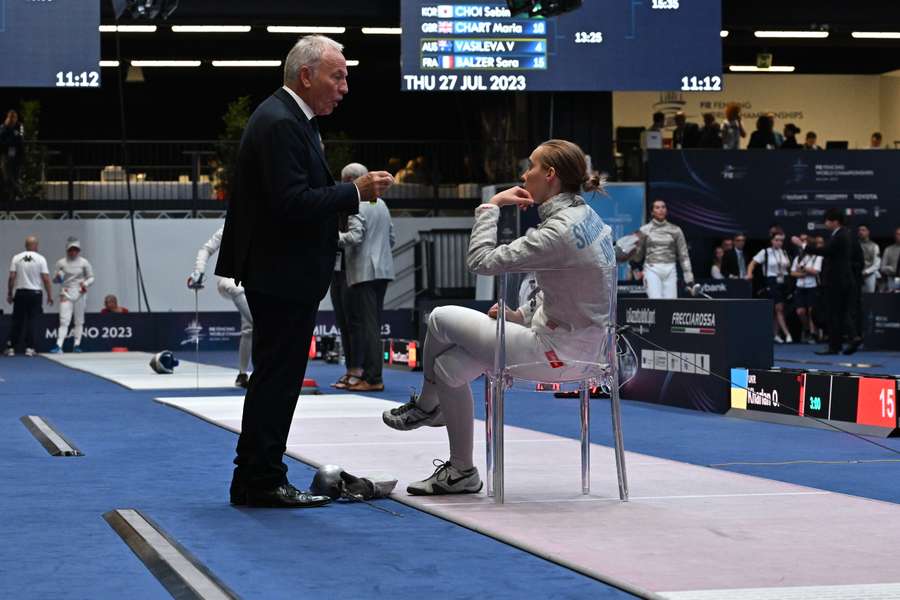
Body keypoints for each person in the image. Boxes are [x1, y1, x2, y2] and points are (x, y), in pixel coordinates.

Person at [214, 35, 394, 508]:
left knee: (277, 377)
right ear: (307, 75)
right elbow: (290, 203)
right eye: (338, 76)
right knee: (277, 378)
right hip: (281, 273)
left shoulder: (291, 120)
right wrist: (354, 192)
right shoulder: (280, 123)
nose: (345, 87)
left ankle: (259, 476)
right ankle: (260, 479)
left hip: (282, 272)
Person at [382, 139, 615, 496]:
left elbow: (480, 262)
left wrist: (491, 206)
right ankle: (462, 472)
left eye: (532, 166)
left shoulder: (557, 231)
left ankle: (427, 407)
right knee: (449, 369)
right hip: (588, 354)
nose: (525, 174)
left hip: (554, 355)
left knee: (440, 318)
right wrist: (520, 315)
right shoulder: (589, 218)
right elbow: (578, 294)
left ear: (550, 175)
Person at [332, 162, 396, 392]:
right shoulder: (382, 204)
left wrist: (333, 237)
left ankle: (373, 378)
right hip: (383, 272)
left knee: (368, 326)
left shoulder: (356, 203)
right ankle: (370, 375)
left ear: (350, 181)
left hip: (363, 272)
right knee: (373, 324)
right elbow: (391, 238)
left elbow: (355, 237)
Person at [188, 226, 253, 388]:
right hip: (230, 281)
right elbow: (206, 249)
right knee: (256, 321)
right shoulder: (231, 226)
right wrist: (198, 271)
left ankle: (242, 375)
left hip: (256, 281)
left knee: (249, 327)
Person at [791, 209, 858, 355]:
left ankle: (841, 343)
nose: (825, 223)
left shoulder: (841, 235)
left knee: (835, 313)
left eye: (827, 220)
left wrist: (802, 245)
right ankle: (846, 340)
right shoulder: (841, 234)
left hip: (838, 281)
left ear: (835, 221)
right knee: (839, 312)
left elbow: (825, 251)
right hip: (841, 280)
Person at [633, 199, 693, 299]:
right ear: (652, 212)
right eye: (657, 207)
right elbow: (638, 256)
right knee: (655, 301)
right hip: (652, 269)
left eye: (663, 207)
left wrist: (688, 276)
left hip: (670, 269)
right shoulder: (644, 230)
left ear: (666, 210)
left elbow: (684, 255)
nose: (661, 210)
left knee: (671, 303)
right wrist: (633, 265)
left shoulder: (676, 230)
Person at [4, 236, 52, 357]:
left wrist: (10, 292)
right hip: (35, 294)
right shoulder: (41, 259)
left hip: (21, 292)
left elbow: (12, 277)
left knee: (17, 320)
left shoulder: (17, 257)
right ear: (35, 245)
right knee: (32, 321)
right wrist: (49, 295)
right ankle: (30, 348)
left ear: (26, 245)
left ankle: (11, 348)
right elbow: (46, 279)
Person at [746, 231, 793, 343]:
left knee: (779, 310)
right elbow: (752, 263)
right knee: (779, 308)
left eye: (781, 240)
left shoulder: (784, 252)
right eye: (776, 240)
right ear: (772, 241)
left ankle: (775, 334)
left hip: (784, 282)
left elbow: (788, 268)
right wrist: (749, 273)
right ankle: (787, 334)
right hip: (771, 281)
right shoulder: (765, 252)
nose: (779, 242)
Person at [50, 237, 94, 353]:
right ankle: (59, 346)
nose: (73, 252)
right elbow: (55, 280)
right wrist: (58, 277)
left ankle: (77, 345)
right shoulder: (61, 263)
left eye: (75, 249)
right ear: (67, 250)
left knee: (79, 321)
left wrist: (85, 283)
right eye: (71, 249)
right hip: (66, 293)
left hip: (80, 293)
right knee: (64, 320)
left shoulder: (84, 262)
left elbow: (91, 277)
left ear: (79, 250)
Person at [790, 244, 823, 343]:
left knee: (811, 311)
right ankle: (807, 329)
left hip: (812, 286)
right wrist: (804, 273)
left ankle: (813, 333)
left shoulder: (817, 257)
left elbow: (816, 271)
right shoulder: (798, 258)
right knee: (800, 311)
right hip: (800, 286)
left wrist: (802, 268)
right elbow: (792, 272)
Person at [0, 110, 24, 203]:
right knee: (7, 176)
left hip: (17, 155)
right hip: (6, 155)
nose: (13, 119)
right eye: (11, 117)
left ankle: (13, 198)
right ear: (8, 118)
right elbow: (2, 140)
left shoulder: (20, 126)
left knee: (16, 176)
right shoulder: (3, 127)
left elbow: (21, 139)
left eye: (14, 117)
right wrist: (13, 138)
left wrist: (14, 139)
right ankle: (20, 193)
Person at [857, 224, 881, 293]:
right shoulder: (854, 245)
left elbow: (877, 264)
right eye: (859, 230)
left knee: (870, 296)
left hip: (870, 275)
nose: (860, 232)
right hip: (856, 275)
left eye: (863, 230)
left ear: (868, 232)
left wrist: (866, 272)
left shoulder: (874, 246)